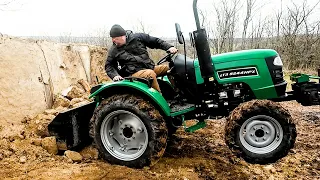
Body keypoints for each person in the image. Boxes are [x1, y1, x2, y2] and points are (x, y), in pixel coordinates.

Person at [105, 24, 178, 93]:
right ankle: (160, 101)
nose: (114, 41)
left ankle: (177, 93)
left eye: (116, 39)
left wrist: (169, 47)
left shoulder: (138, 37)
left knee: (170, 68)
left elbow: (155, 42)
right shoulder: (114, 50)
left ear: (122, 36)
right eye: (112, 39)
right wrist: (115, 75)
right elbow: (109, 65)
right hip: (132, 74)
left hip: (148, 67)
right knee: (150, 74)